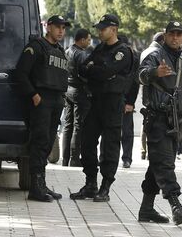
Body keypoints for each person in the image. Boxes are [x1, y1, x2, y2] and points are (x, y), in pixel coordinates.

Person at [70, 14, 133, 202]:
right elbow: (82, 68)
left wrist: (94, 68)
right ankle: (91, 183)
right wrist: (96, 69)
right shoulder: (99, 48)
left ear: (113, 29)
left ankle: (105, 186)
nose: (99, 32)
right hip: (95, 101)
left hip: (113, 103)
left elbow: (106, 71)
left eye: (102, 28)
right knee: (87, 141)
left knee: (110, 146)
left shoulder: (123, 51)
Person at [137, 21, 182, 225]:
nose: (175, 37)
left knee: (157, 166)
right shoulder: (154, 55)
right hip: (158, 118)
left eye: (179, 34)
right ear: (165, 35)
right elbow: (141, 75)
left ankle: (146, 209)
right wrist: (154, 73)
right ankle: (175, 205)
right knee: (165, 164)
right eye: (172, 34)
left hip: (176, 120)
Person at [15, 15, 70, 201]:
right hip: (42, 99)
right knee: (39, 142)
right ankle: (35, 188)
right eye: (57, 27)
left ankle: (42, 184)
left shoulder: (59, 50)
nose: (61, 31)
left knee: (46, 143)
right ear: (48, 27)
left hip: (56, 101)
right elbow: (21, 73)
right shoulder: (36, 47)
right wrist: (34, 95)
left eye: (63, 28)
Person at [62, 28, 92, 167]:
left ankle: (65, 158)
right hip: (80, 91)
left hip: (68, 89)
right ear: (82, 39)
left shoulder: (67, 51)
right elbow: (86, 74)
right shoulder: (81, 54)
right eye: (89, 39)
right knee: (78, 126)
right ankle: (74, 158)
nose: (90, 42)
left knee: (67, 125)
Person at [139, 32, 165, 161]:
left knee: (146, 121)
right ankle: (148, 150)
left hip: (147, 90)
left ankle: (144, 150)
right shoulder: (155, 52)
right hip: (154, 92)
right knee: (150, 121)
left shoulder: (146, 51)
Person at [119, 35, 140, 169]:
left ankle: (127, 158)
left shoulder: (133, 58)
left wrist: (130, 102)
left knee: (126, 132)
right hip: (111, 99)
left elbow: (135, 81)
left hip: (126, 100)